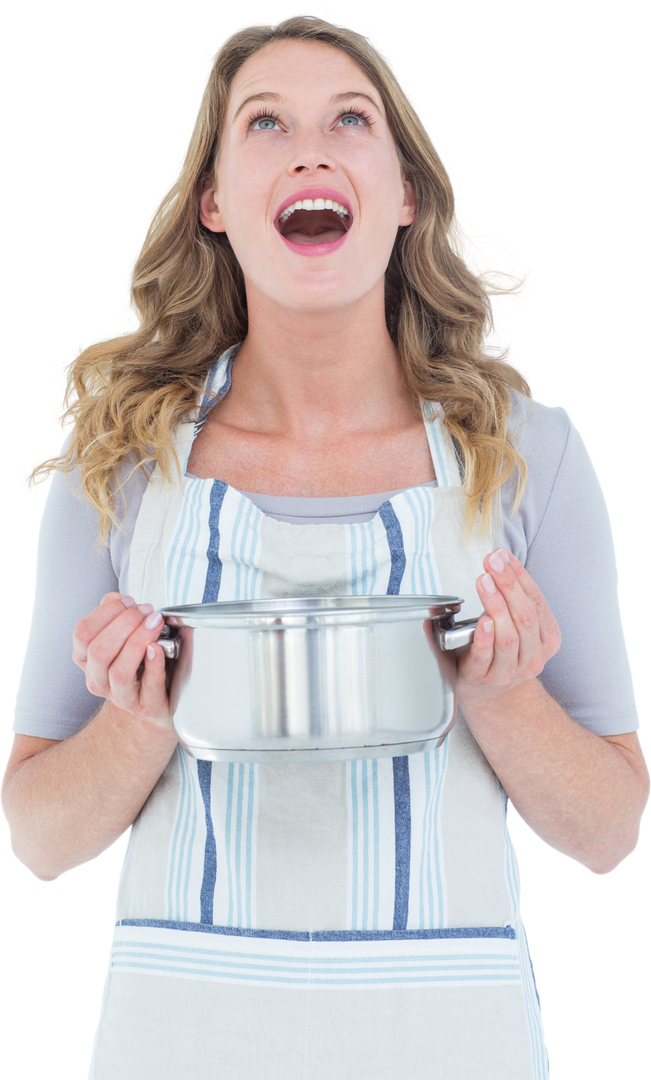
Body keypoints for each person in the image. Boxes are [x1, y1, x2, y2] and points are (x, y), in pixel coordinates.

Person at [2, 9, 648, 1079]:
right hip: (183, 1037)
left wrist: (500, 694)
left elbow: (611, 831)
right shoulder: (114, 462)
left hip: (450, 1043)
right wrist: (136, 723)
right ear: (213, 203)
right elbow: (38, 841)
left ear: (403, 193)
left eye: (350, 119)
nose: (309, 146)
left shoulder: (535, 454)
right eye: (265, 123)